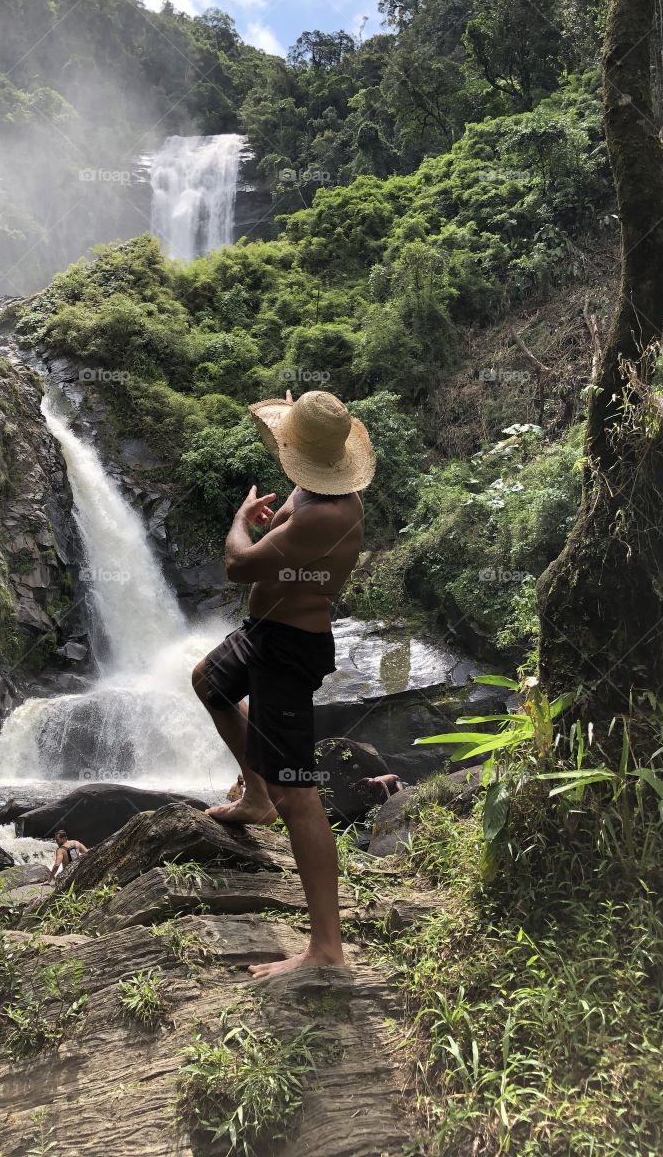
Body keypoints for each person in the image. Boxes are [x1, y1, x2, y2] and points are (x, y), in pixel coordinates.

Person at [192, 388, 375, 978]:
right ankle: (254, 796)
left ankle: (326, 950)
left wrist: (243, 524)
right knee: (211, 682)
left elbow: (239, 564)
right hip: (263, 631)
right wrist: (282, 524)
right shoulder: (314, 489)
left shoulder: (332, 512)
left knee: (300, 793)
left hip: (290, 649)